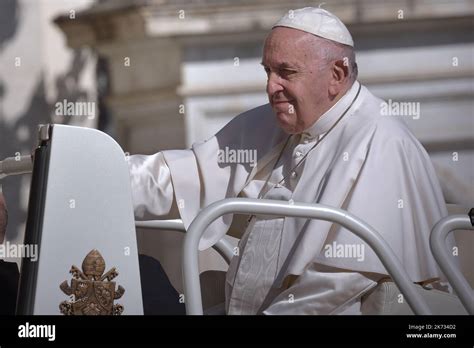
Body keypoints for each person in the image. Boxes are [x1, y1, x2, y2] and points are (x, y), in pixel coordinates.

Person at [128, 7, 452, 315]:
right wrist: (95, 175)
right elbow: (177, 178)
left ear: (336, 75)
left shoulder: (383, 142)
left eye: (286, 72)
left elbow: (338, 285)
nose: (271, 87)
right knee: (138, 278)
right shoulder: (270, 124)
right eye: (268, 71)